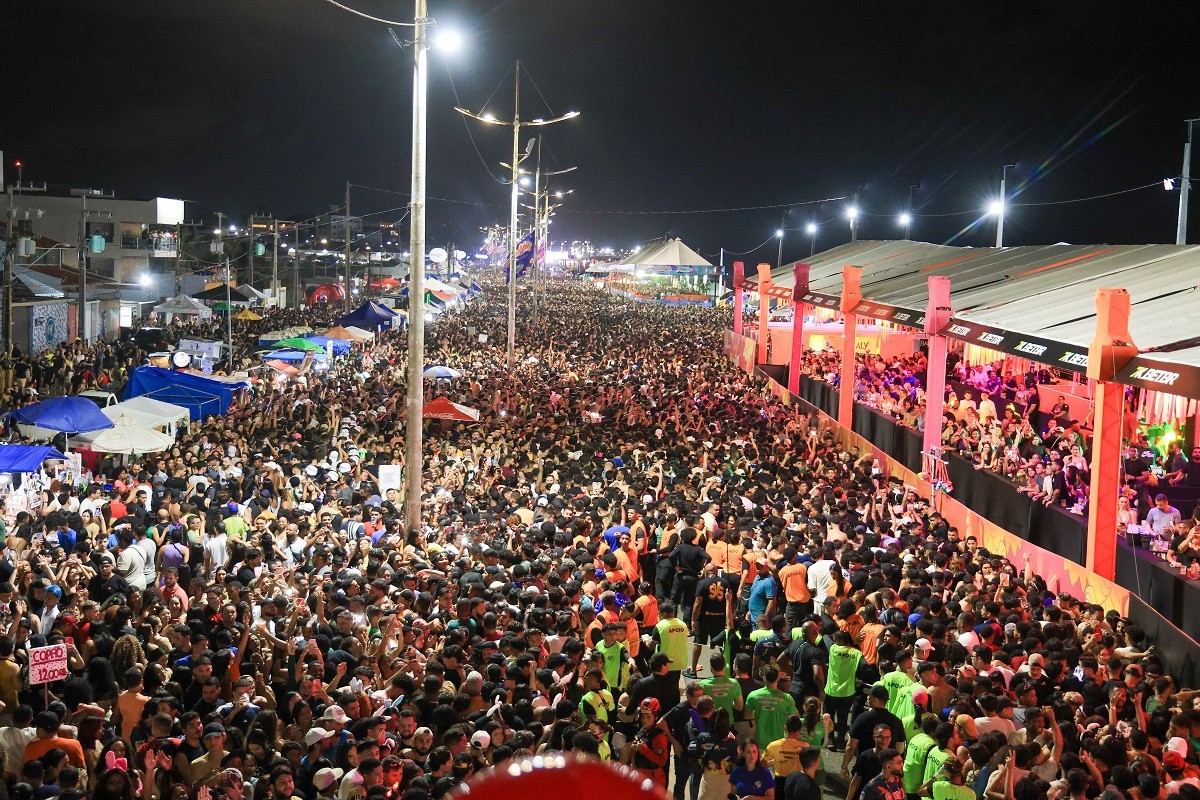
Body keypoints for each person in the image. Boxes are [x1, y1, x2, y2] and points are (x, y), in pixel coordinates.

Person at [744, 665, 797, 751]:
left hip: (760, 742)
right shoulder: (787, 698)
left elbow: (746, 715)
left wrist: (760, 712)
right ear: (778, 678)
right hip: (779, 742)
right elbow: (795, 717)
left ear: (764, 678)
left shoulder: (753, 695)